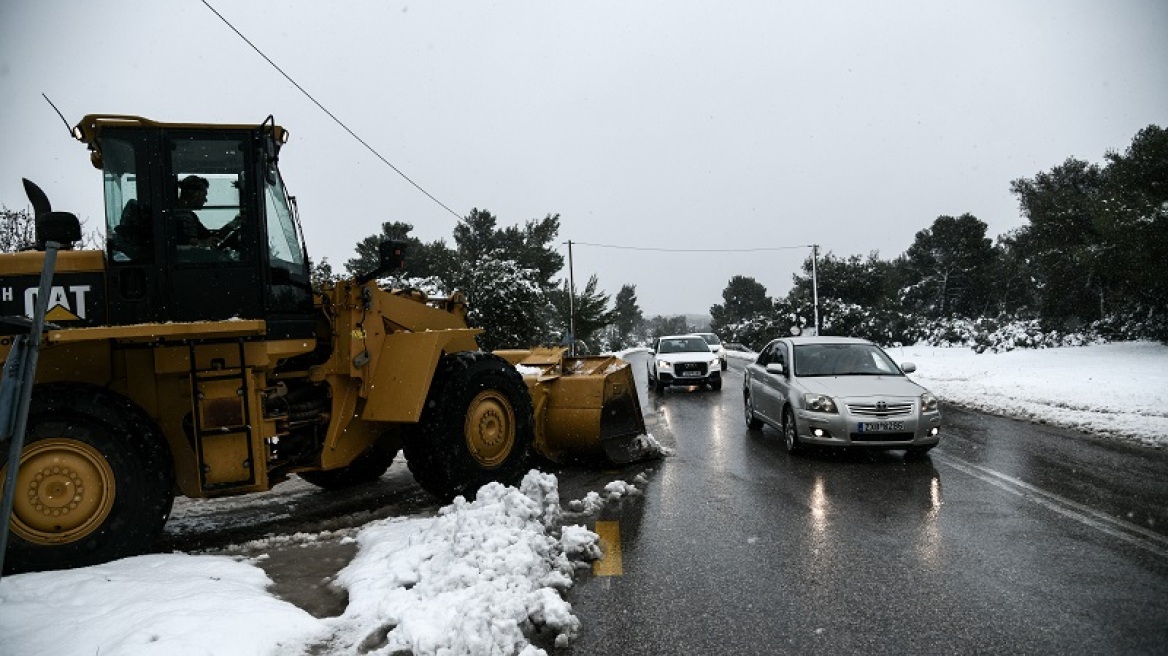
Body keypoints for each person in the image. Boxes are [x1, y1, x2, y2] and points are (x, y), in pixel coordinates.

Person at [173, 175, 216, 246]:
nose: (205, 200)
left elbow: (207, 235)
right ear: (194, 194)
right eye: (203, 195)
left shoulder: (191, 215)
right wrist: (200, 243)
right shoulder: (175, 214)